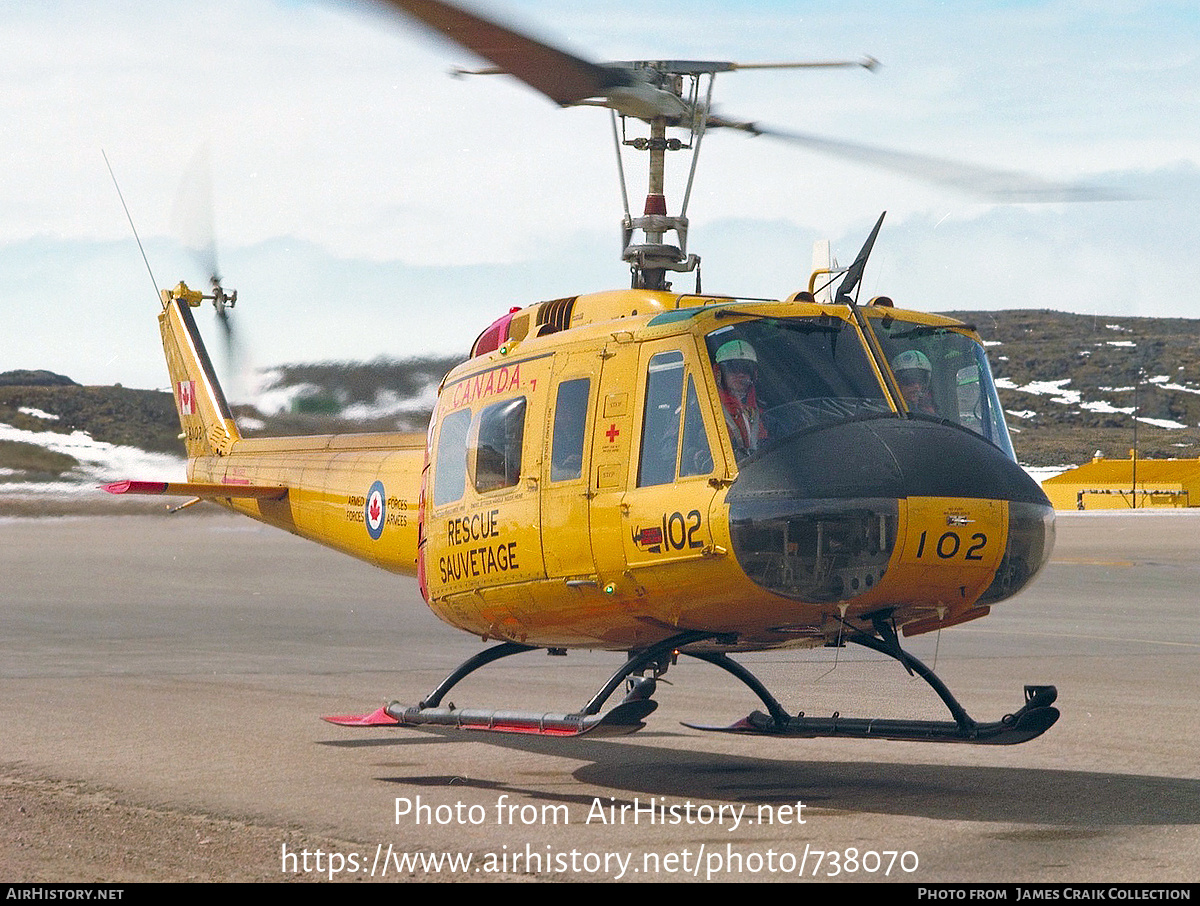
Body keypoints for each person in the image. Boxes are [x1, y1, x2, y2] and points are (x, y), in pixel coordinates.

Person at [715, 339, 767, 459]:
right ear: (719, 373)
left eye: (746, 369)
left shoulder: (763, 411)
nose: (741, 374)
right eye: (733, 368)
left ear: (754, 374)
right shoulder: (703, 408)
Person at [892, 349, 937, 415]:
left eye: (922, 380)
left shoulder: (929, 417)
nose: (917, 386)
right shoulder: (888, 413)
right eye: (910, 379)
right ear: (896, 380)